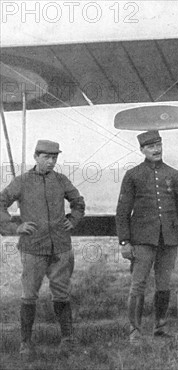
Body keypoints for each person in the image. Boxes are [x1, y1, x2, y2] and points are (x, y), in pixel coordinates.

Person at [0, 140, 85, 358]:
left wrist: (73, 219)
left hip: (60, 248)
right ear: (36, 157)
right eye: (46, 157)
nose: (51, 161)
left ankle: (67, 339)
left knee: (62, 294)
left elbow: (78, 202)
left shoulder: (61, 180)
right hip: (32, 247)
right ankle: (25, 343)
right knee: (29, 296)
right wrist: (14, 226)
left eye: (54, 157)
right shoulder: (22, 182)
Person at [116, 130, 178, 343]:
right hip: (142, 240)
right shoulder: (133, 175)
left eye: (158, 144)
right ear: (142, 150)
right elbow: (122, 212)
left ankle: (160, 327)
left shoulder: (174, 174)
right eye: (150, 146)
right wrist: (125, 241)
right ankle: (135, 331)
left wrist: (175, 223)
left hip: (168, 239)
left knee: (164, 284)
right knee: (138, 284)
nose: (156, 149)